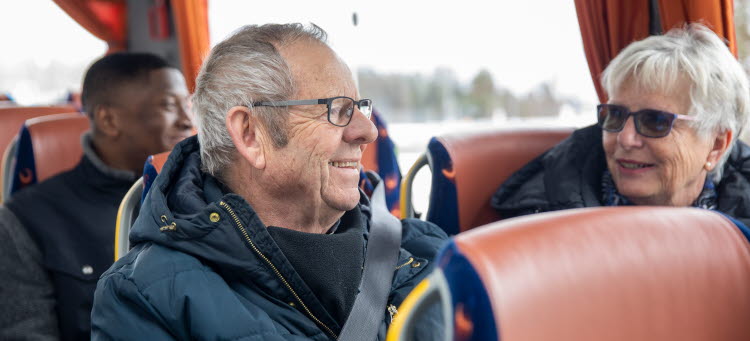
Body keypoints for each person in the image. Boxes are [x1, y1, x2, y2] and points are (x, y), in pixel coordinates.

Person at [91, 23, 448, 340]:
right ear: (249, 134)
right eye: (338, 110)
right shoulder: (145, 297)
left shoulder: (424, 248)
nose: (367, 131)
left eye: (360, 107)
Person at [0, 52, 193, 341]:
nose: (187, 121)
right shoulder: (26, 220)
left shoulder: (204, 198)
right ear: (108, 120)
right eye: (168, 106)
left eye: (187, 105)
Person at [492, 24, 750, 225]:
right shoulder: (541, 219)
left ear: (716, 145)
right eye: (614, 115)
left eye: (655, 121)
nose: (625, 139)